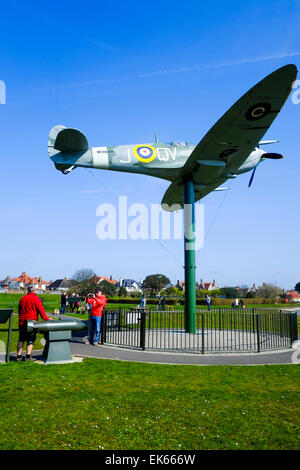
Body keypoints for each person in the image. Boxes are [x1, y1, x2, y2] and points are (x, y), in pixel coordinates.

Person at [17, 285, 52, 362]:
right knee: (30, 340)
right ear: (34, 290)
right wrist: (46, 318)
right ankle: (28, 356)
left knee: (21, 339)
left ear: (28, 290)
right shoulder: (36, 299)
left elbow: (19, 311)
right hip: (31, 322)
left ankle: (18, 357)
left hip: (22, 321)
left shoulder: (22, 299)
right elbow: (41, 310)